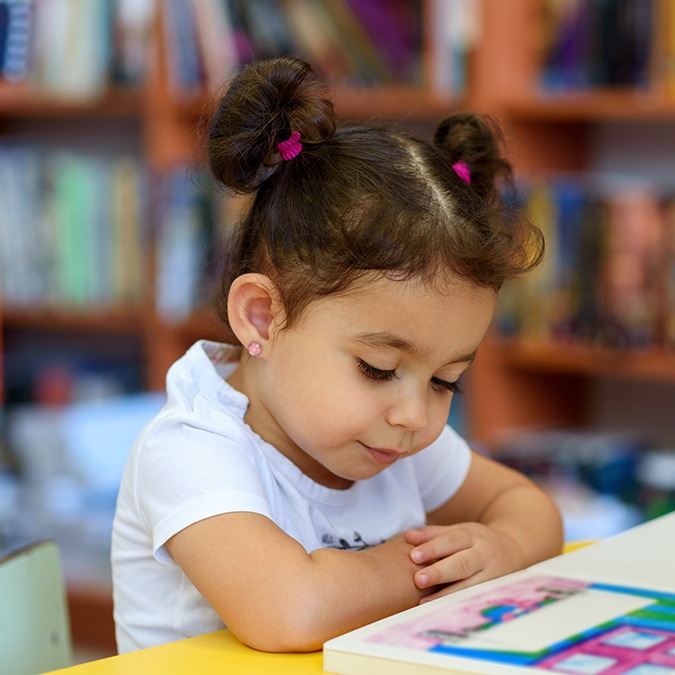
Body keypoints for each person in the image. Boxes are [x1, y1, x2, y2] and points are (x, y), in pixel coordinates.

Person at [111, 56, 563, 654]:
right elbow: (290, 611)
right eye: (378, 368)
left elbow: (529, 509)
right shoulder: (192, 447)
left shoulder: (387, 437)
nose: (414, 414)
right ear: (262, 318)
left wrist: (501, 548)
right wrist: (432, 568)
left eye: (446, 381)